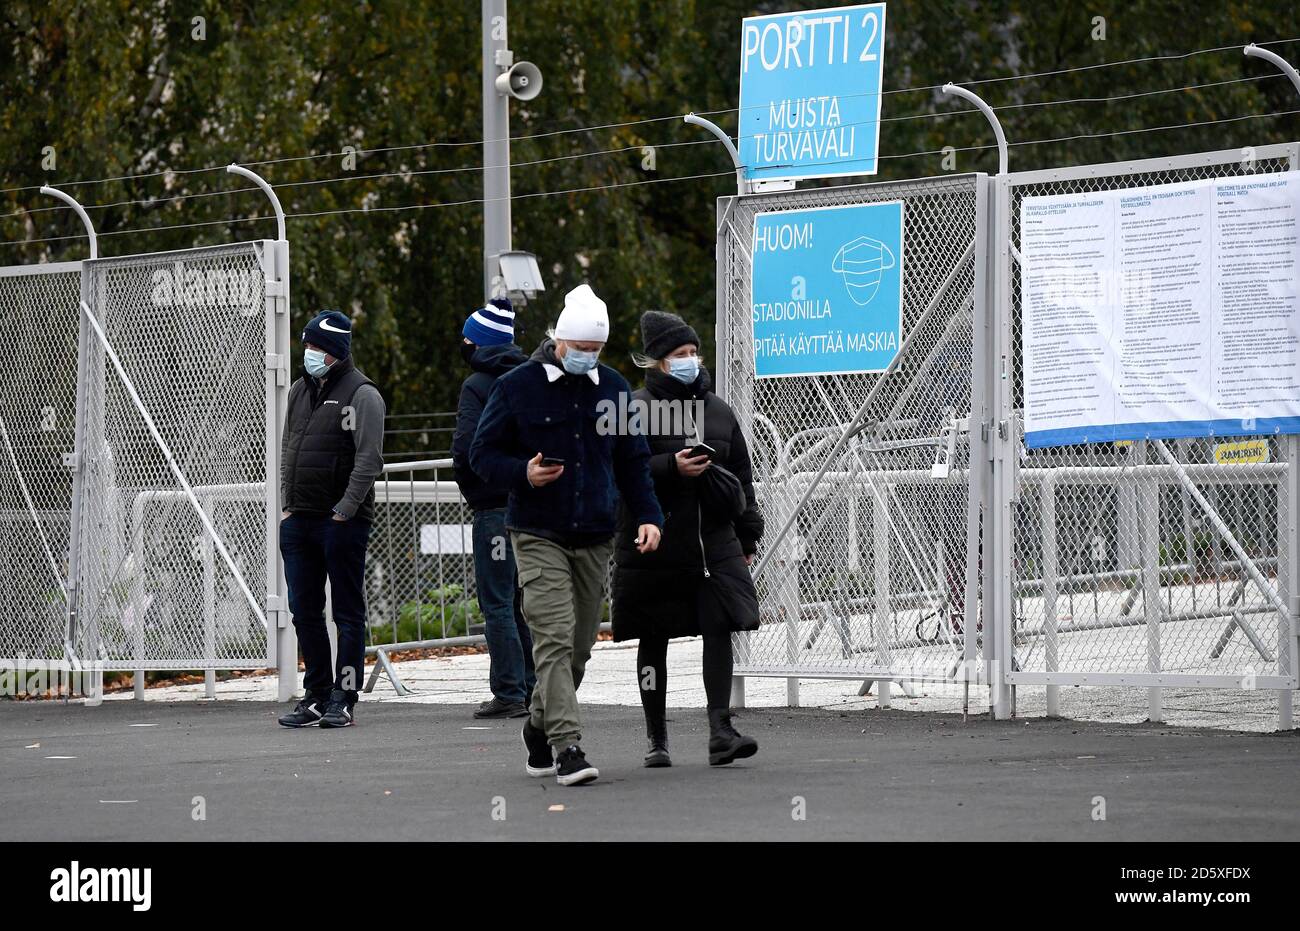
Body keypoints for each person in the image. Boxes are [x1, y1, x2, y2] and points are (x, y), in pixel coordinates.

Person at [471, 284, 663, 786]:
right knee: (552, 638)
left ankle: (537, 726)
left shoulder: (615, 388)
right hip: (537, 532)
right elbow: (481, 455)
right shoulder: (516, 386)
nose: (588, 357)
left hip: (595, 534)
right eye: (580, 349)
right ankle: (567, 746)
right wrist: (522, 474)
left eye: (596, 350)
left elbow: (633, 460)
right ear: (558, 340)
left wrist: (648, 516)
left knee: (578, 649)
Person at [611, 310, 764, 766]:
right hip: (654, 542)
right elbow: (619, 475)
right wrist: (669, 467)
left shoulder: (717, 408)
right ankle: (656, 739)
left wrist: (748, 534)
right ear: (658, 361)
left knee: (719, 627)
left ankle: (721, 729)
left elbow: (742, 475)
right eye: (680, 354)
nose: (691, 361)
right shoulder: (633, 408)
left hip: (711, 542)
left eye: (694, 353)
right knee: (652, 636)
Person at [277, 310, 386, 729]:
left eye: (317, 347)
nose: (309, 353)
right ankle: (316, 694)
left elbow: (369, 458)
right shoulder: (299, 392)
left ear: (336, 351)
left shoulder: (363, 394)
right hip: (300, 519)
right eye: (307, 345)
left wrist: (345, 509)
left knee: (346, 612)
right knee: (304, 610)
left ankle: (345, 695)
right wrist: (288, 504)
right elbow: (289, 448)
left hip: (342, 522)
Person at [452, 297, 536, 719]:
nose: (463, 343)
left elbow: (467, 448)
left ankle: (508, 691)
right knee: (521, 599)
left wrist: (475, 489)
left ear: (480, 343)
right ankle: (531, 686)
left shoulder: (478, 386)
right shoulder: (530, 379)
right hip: (529, 507)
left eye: (468, 337)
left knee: (497, 601)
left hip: (493, 511)